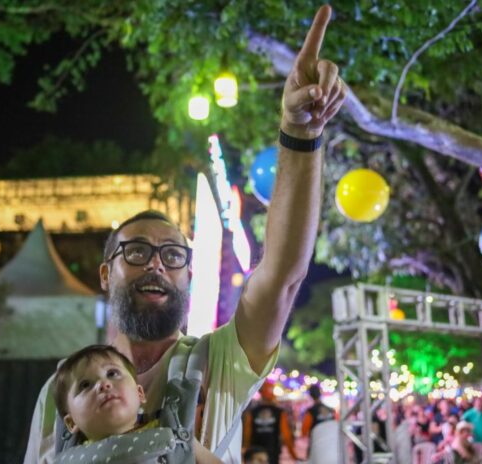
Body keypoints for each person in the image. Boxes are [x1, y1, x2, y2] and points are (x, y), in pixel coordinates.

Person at [23, 5, 347, 463]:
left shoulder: (221, 361)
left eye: (173, 255)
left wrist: (301, 132)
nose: (156, 263)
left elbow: (282, 275)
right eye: (136, 251)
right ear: (104, 273)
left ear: (188, 275)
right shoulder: (64, 388)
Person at [52, 344, 221, 463]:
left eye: (112, 373)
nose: (103, 384)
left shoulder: (174, 435)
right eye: (85, 385)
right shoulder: (73, 457)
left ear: (139, 393)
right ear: (71, 422)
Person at [243, 381, 299, 464]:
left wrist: (246, 450)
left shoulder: (252, 412)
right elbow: (286, 436)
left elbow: (247, 434)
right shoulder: (279, 412)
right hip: (273, 453)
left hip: (255, 454)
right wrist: (293, 455)